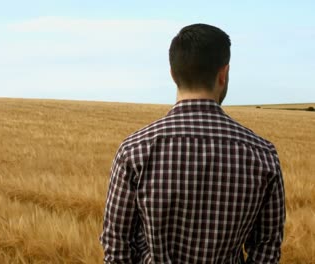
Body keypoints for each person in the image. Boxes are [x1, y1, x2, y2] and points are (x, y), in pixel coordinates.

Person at [100, 23, 285, 263]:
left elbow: (116, 247)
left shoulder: (135, 150)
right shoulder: (263, 155)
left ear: (173, 73)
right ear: (223, 73)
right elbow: (267, 249)